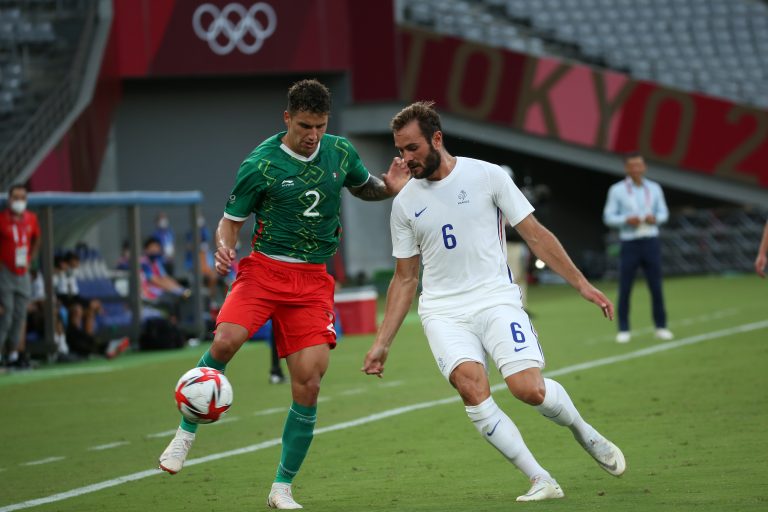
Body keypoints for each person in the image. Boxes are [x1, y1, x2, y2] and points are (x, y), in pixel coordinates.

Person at [157, 78, 410, 509]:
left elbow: (364, 186)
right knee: (225, 340)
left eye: (321, 126)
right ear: (287, 118)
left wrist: (388, 187)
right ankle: (185, 434)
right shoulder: (260, 164)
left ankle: (281, 487)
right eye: (305, 126)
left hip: (312, 282)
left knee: (309, 383)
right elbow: (230, 221)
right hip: (265, 271)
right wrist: (224, 246)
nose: (313, 136)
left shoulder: (340, 151)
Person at [361, 101, 625, 502]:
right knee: (472, 388)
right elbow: (404, 278)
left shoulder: (486, 176)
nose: (405, 159)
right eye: (400, 150)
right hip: (443, 312)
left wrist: (581, 284)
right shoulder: (403, 204)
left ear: (436, 138)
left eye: (412, 148)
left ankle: (584, 432)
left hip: (495, 299)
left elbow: (535, 234)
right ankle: (540, 479)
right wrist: (383, 342)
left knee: (527, 389)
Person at [602, 152, 673, 343]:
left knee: (656, 286)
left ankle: (661, 326)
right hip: (630, 241)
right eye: (632, 166)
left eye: (639, 165)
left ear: (644, 167)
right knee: (625, 287)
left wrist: (655, 218)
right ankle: (623, 329)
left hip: (650, 240)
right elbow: (608, 217)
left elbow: (664, 212)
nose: (636, 169)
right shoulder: (617, 190)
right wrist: (625, 220)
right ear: (626, 168)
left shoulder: (654, 188)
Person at [0, 184, 40, 367]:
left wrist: (31, 257)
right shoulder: (1, 220)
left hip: (22, 271)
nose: (19, 201)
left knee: (20, 315)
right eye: (15, 197)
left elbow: (37, 237)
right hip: (5, 271)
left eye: (22, 198)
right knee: (5, 314)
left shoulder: (31, 219)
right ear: (9, 200)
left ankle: (14, 355)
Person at [152, 212, 176, 276]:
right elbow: (154, 248)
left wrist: (172, 255)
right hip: (161, 262)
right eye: (161, 219)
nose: (163, 221)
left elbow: (172, 244)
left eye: (164, 218)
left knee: (171, 277)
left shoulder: (170, 232)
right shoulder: (155, 234)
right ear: (157, 222)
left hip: (170, 261)